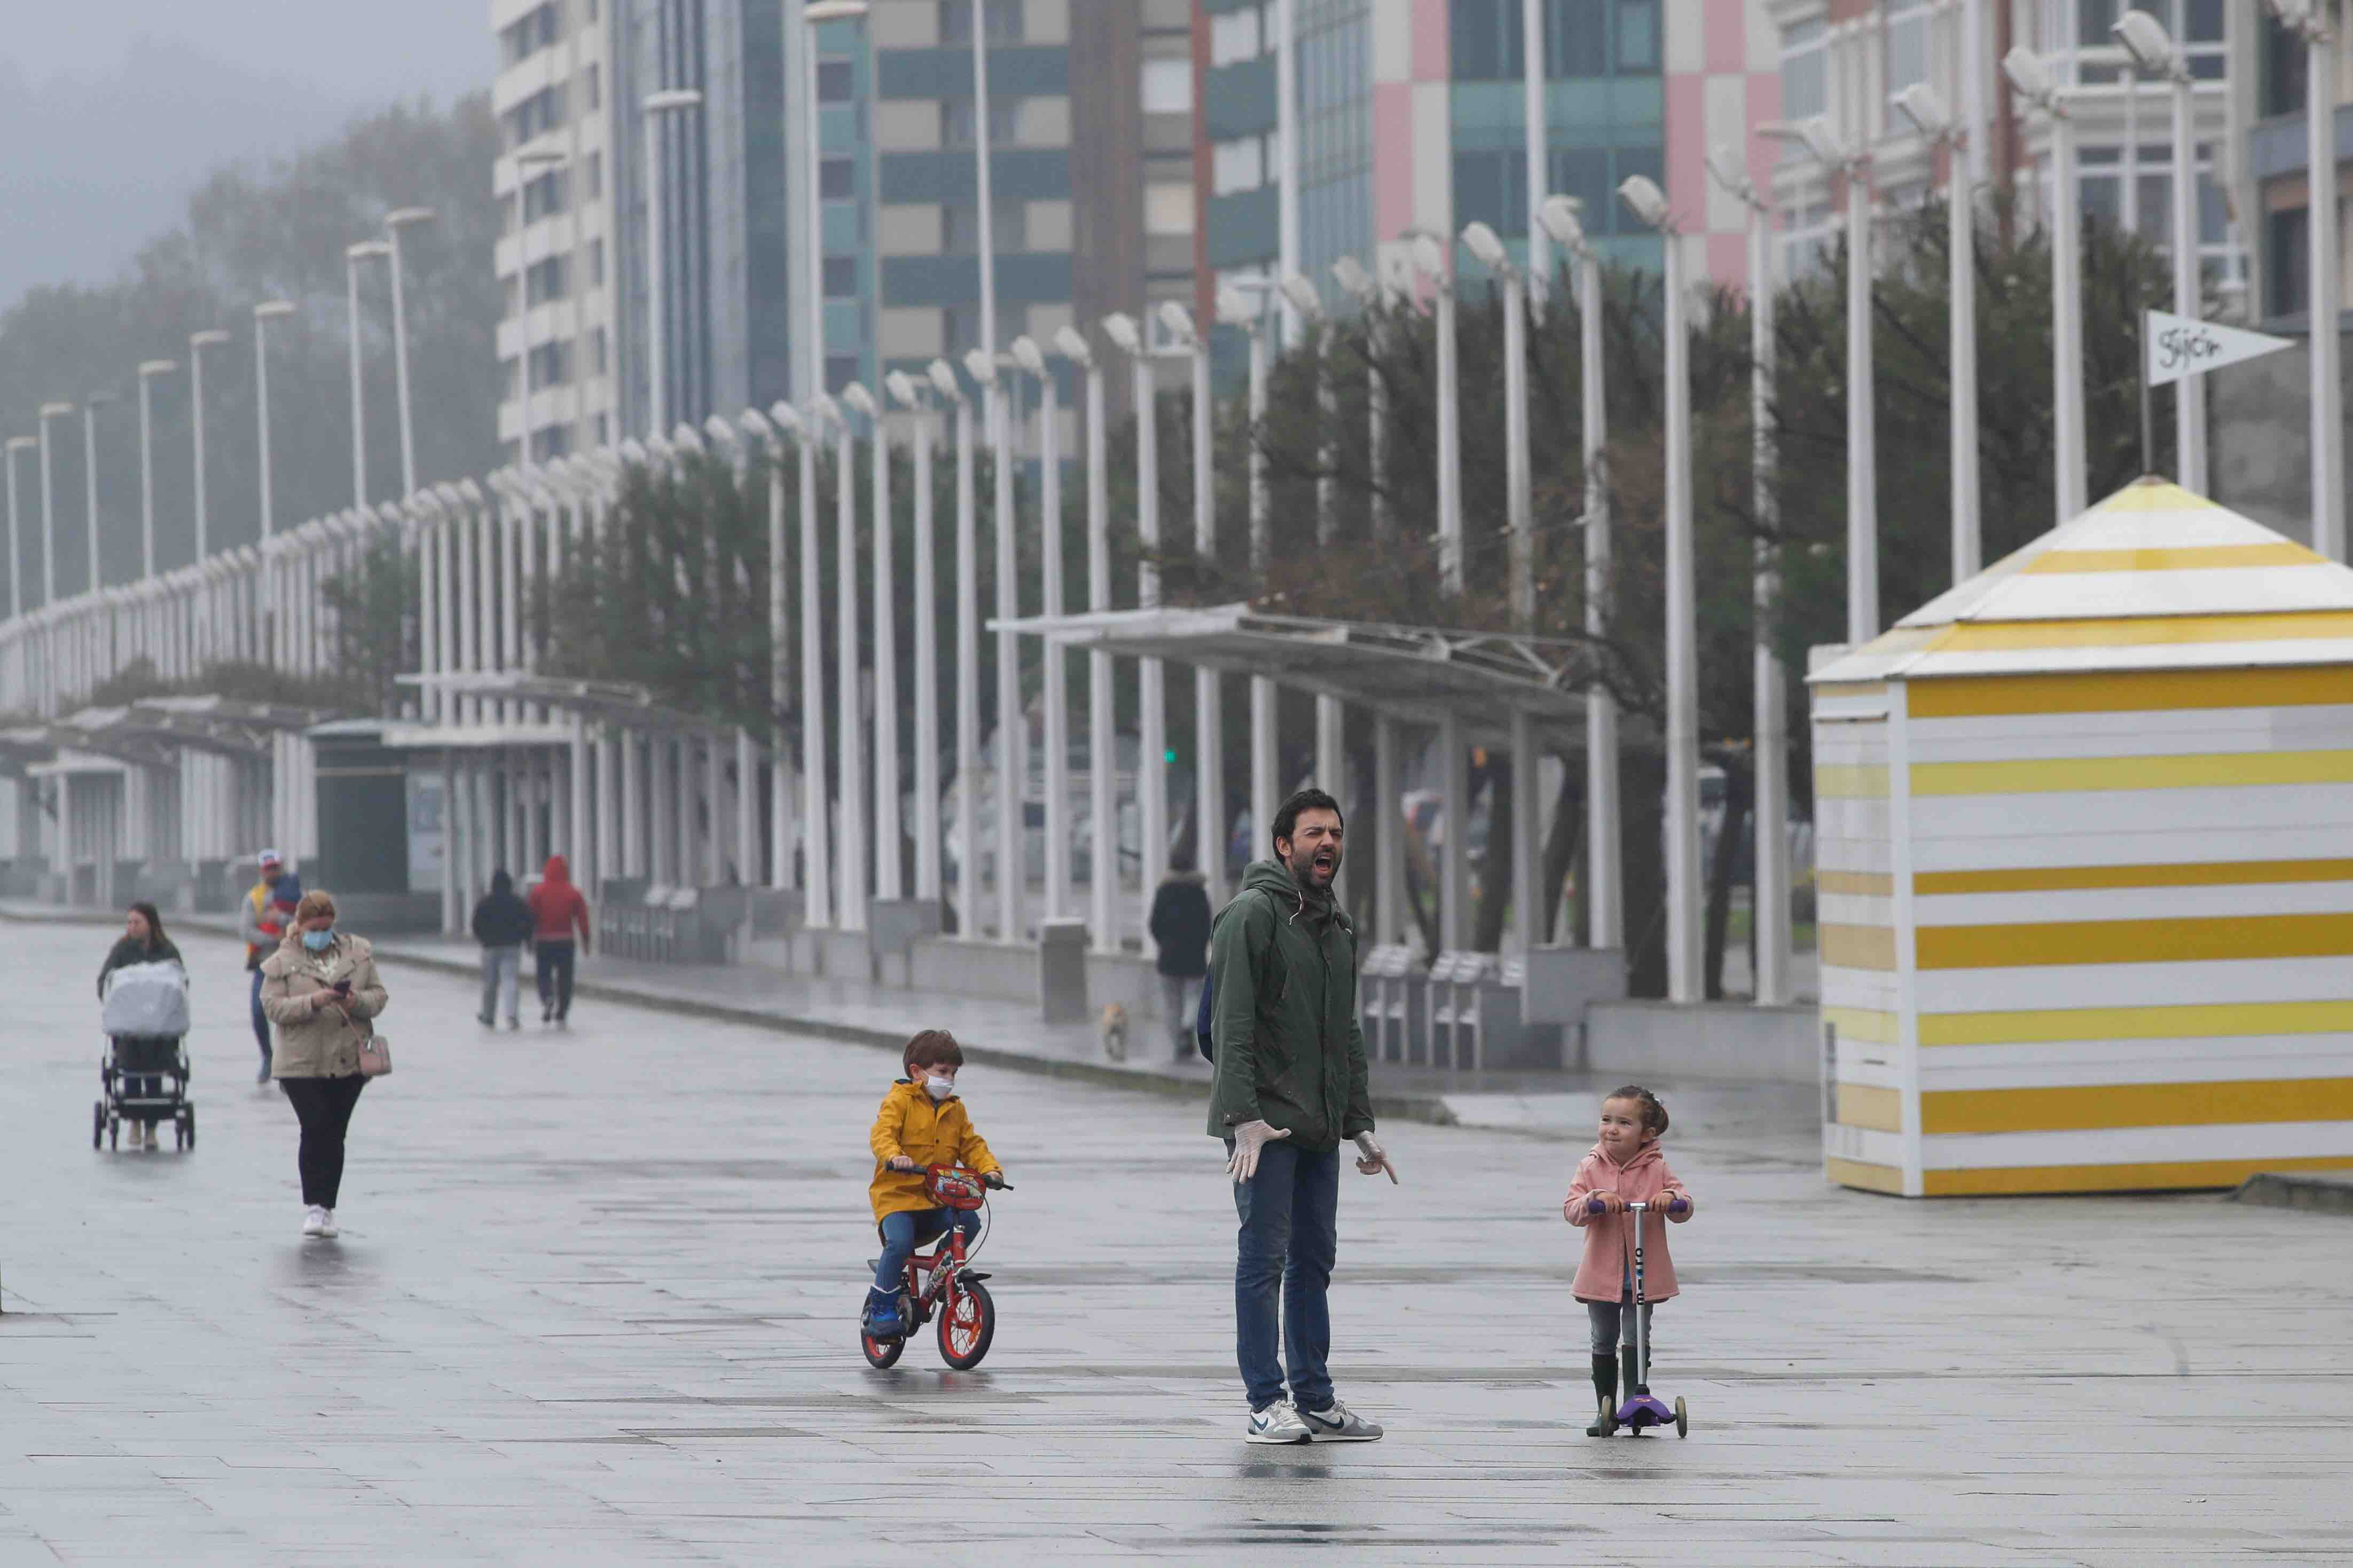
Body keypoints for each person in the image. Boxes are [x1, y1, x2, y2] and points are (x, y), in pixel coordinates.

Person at [1209, 786, 1396, 1446]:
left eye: (1336, 834)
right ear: (1283, 845)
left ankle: (1314, 1398)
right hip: (1264, 1129)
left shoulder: (1336, 927)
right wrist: (1241, 1116)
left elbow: (1342, 1031)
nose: (1328, 845)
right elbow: (1228, 1022)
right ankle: (1265, 1400)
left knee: (1315, 1259)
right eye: (1314, 834)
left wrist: (1358, 1121)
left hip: (1318, 1125)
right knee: (1263, 1260)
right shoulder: (1251, 915)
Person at [1563, 1086, 1695, 1437]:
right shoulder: (1590, 1166)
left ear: (1647, 1134)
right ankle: (1603, 1408)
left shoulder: (1657, 1167)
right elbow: (1572, 1209)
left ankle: (1633, 1403)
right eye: (1606, 1120)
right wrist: (1594, 1200)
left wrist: (1672, 1199)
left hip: (1642, 1273)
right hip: (1601, 1273)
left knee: (1637, 1336)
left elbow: (1684, 1201)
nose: (1612, 1129)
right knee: (1603, 1338)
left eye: (1624, 1122)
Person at [260, 890, 389, 1241]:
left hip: (348, 1058)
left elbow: (379, 997)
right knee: (315, 1126)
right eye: (314, 928)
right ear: (299, 926)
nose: (320, 934)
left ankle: (327, 1207)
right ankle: (313, 1206)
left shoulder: (357, 953)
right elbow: (272, 1007)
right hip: (300, 1062)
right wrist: (313, 1002)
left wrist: (354, 1000)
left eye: (327, 927)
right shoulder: (282, 960)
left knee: (335, 1132)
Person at [862, 1029, 1006, 1338]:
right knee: (899, 1244)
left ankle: (943, 1274)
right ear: (917, 1072)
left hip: (937, 1199)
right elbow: (882, 1133)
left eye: (953, 1073)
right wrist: (894, 1156)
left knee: (970, 1221)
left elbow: (972, 1145)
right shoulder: (900, 1101)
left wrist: (989, 1170)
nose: (949, 1079)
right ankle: (880, 1308)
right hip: (897, 1199)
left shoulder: (956, 1109)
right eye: (942, 1072)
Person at [98, 901, 184, 1151]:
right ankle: (135, 1121)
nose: (132, 927)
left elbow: (179, 984)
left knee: (155, 1073)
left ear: (151, 924)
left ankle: (151, 1128)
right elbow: (105, 980)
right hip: (129, 1028)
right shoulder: (122, 951)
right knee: (131, 1069)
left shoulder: (167, 951)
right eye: (129, 922)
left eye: (137, 922)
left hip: (160, 1030)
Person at [1147, 849, 1213, 1061]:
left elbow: (1154, 924)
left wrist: (1163, 943)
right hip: (1194, 955)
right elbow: (1207, 924)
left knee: (1171, 1002)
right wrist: (1201, 945)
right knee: (1195, 995)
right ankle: (1187, 1029)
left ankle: (1178, 1042)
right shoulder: (1199, 891)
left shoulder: (1164, 891)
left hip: (1168, 956)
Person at [239, 849, 289, 1082]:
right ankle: (267, 1057)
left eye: (276, 867)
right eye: (268, 868)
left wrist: (281, 922)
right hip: (264, 963)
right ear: (262, 871)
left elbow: (307, 920)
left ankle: (286, 1065)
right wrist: (271, 938)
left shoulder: (295, 894)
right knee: (259, 1012)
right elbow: (246, 930)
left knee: (289, 1016)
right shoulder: (254, 898)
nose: (273, 871)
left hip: (291, 965)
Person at [525, 853, 591, 1026]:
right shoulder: (573, 893)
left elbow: (530, 918)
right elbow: (582, 918)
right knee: (565, 977)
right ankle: (562, 1009)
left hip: (544, 941)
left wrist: (529, 940)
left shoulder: (538, 892)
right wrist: (586, 941)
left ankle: (547, 996)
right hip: (565, 941)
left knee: (543, 974)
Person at [470, 868, 535, 1029]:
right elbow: (529, 922)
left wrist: (483, 940)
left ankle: (488, 1016)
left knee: (490, 983)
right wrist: (526, 939)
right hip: (512, 946)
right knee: (510, 980)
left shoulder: (485, 903)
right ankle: (512, 1016)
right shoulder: (517, 902)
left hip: (490, 948)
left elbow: (476, 924)